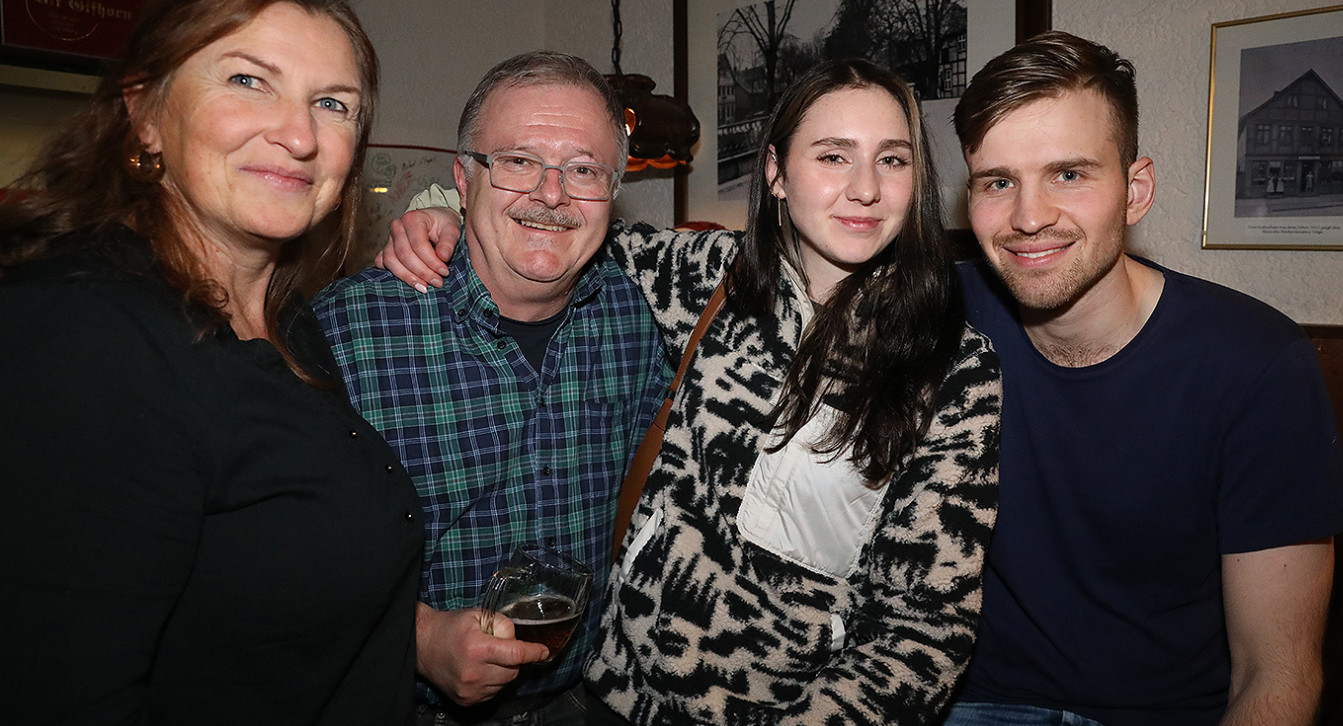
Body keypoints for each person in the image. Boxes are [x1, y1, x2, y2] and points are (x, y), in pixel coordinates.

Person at [380, 58, 1002, 724]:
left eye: (892, 161)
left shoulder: (953, 370)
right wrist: (442, 212)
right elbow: (553, 228)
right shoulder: (705, 279)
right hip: (605, 699)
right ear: (776, 173)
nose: (865, 189)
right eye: (832, 156)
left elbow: (923, 637)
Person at [0, 0, 422, 724]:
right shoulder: (80, 335)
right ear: (146, 111)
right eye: (248, 80)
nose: (299, 135)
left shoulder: (282, 316)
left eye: (334, 103)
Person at [940, 31, 1343, 725]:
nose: (1029, 217)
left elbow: (1274, 674)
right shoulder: (933, 318)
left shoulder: (1256, 362)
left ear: (1136, 191)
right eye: (999, 182)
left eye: (1069, 174)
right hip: (970, 702)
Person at [311, 52, 670, 725]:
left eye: (584, 169)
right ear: (463, 178)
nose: (553, 194)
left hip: (583, 705)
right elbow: (283, 557)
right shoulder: (346, 334)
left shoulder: (636, 314)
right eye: (518, 161)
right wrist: (415, 640)